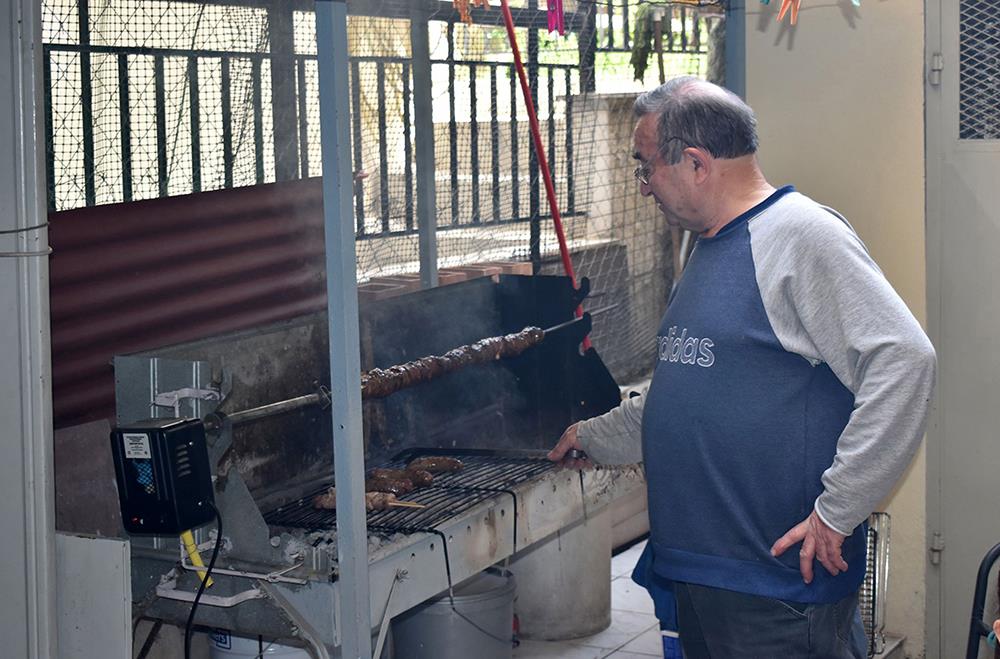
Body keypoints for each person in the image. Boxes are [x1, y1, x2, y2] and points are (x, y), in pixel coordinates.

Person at [548, 76, 936, 658]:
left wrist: (838, 510)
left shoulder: (802, 237)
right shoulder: (707, 245)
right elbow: (689, 386)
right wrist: (595, 437)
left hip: (774, 588)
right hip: (705, 573)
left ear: (698, 164)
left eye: (646, 166)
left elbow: (905, 360)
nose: (644, 185)